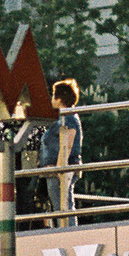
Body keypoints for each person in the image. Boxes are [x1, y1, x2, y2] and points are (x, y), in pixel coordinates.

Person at [45, 79, 84, 221]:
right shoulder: (64, 117)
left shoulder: (67, 118)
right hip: (57, 168)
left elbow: (67, 144)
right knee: (61, 205)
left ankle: (69, 235)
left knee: (63, 205)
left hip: (60, 168)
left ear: (59, 98)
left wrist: (60, 168)